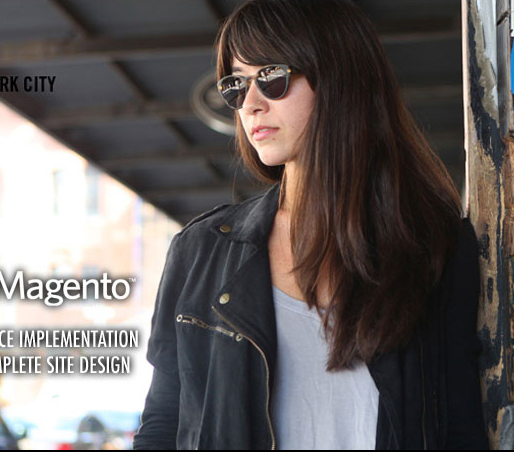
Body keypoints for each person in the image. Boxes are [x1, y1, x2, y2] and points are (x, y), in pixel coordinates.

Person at [131, 0, 486, 449]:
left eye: (272, 77)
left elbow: (461, 427)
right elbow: (164, 425)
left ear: (338, 78)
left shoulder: (434, 246)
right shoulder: (200, 251)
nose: (251, 104)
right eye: (237, 85)